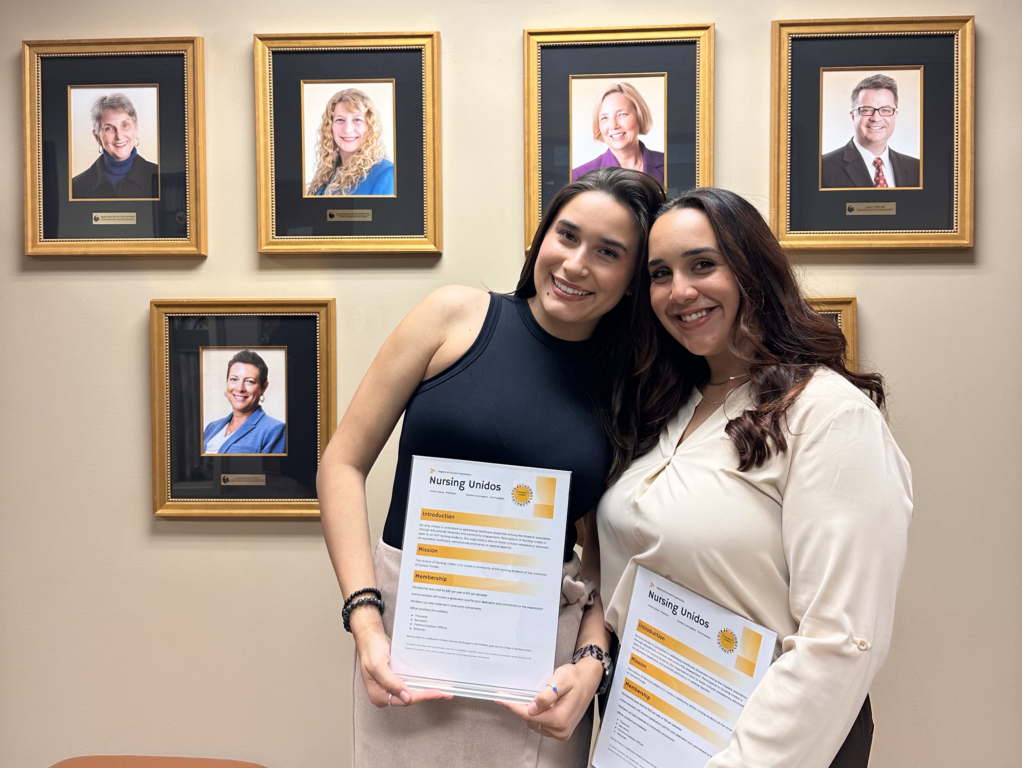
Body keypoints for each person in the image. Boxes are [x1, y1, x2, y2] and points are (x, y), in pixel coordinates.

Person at [316, 168, 666, 768]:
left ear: (634, 279)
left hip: (539, 669)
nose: (577, 264)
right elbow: (342, 464)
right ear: (541, 237)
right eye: (567, 235)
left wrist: (589, 665)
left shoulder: (631, 385)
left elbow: (610, 551)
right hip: (408, 638)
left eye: (608, 253)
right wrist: (365, 619)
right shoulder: (454, 315)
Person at [598, 188, 913, 767]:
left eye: (703, 264)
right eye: (660, 274)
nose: (680, 291)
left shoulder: (827, 415)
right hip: (644, 729)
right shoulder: (665, 407)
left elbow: (841, 642)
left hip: (762, 745)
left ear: (752, 268)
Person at [821, 74, 920, 188]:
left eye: (885, 110)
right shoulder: (822, 168)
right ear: (853, 116)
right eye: (866, 110)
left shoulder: (917, 168)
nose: (876, 118)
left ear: (895, 115)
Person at [572, 83, 665, 186]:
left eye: (622, 114)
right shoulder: (579, 177)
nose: (613, 125)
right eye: (604, 118)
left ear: (639, 115)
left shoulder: (668, 164)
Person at [307, 88, 394, 196]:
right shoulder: (326, 173)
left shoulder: (386, 173)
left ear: (369, 126)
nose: (347, 129)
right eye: (340, 120)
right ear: (330, 127)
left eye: (357, 120)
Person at [71, 93, 159, 199]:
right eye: (109, 128)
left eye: (125, 125)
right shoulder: (76, 186)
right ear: (97, 137)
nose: (119, 136)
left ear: (136, 129)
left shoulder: (159, 177)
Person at [202, 350, 286, 455]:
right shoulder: (212, 427)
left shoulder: (275, 430)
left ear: (263, 388)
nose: (240, 388)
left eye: (249, 381)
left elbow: (268, 471)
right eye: (234, 379)